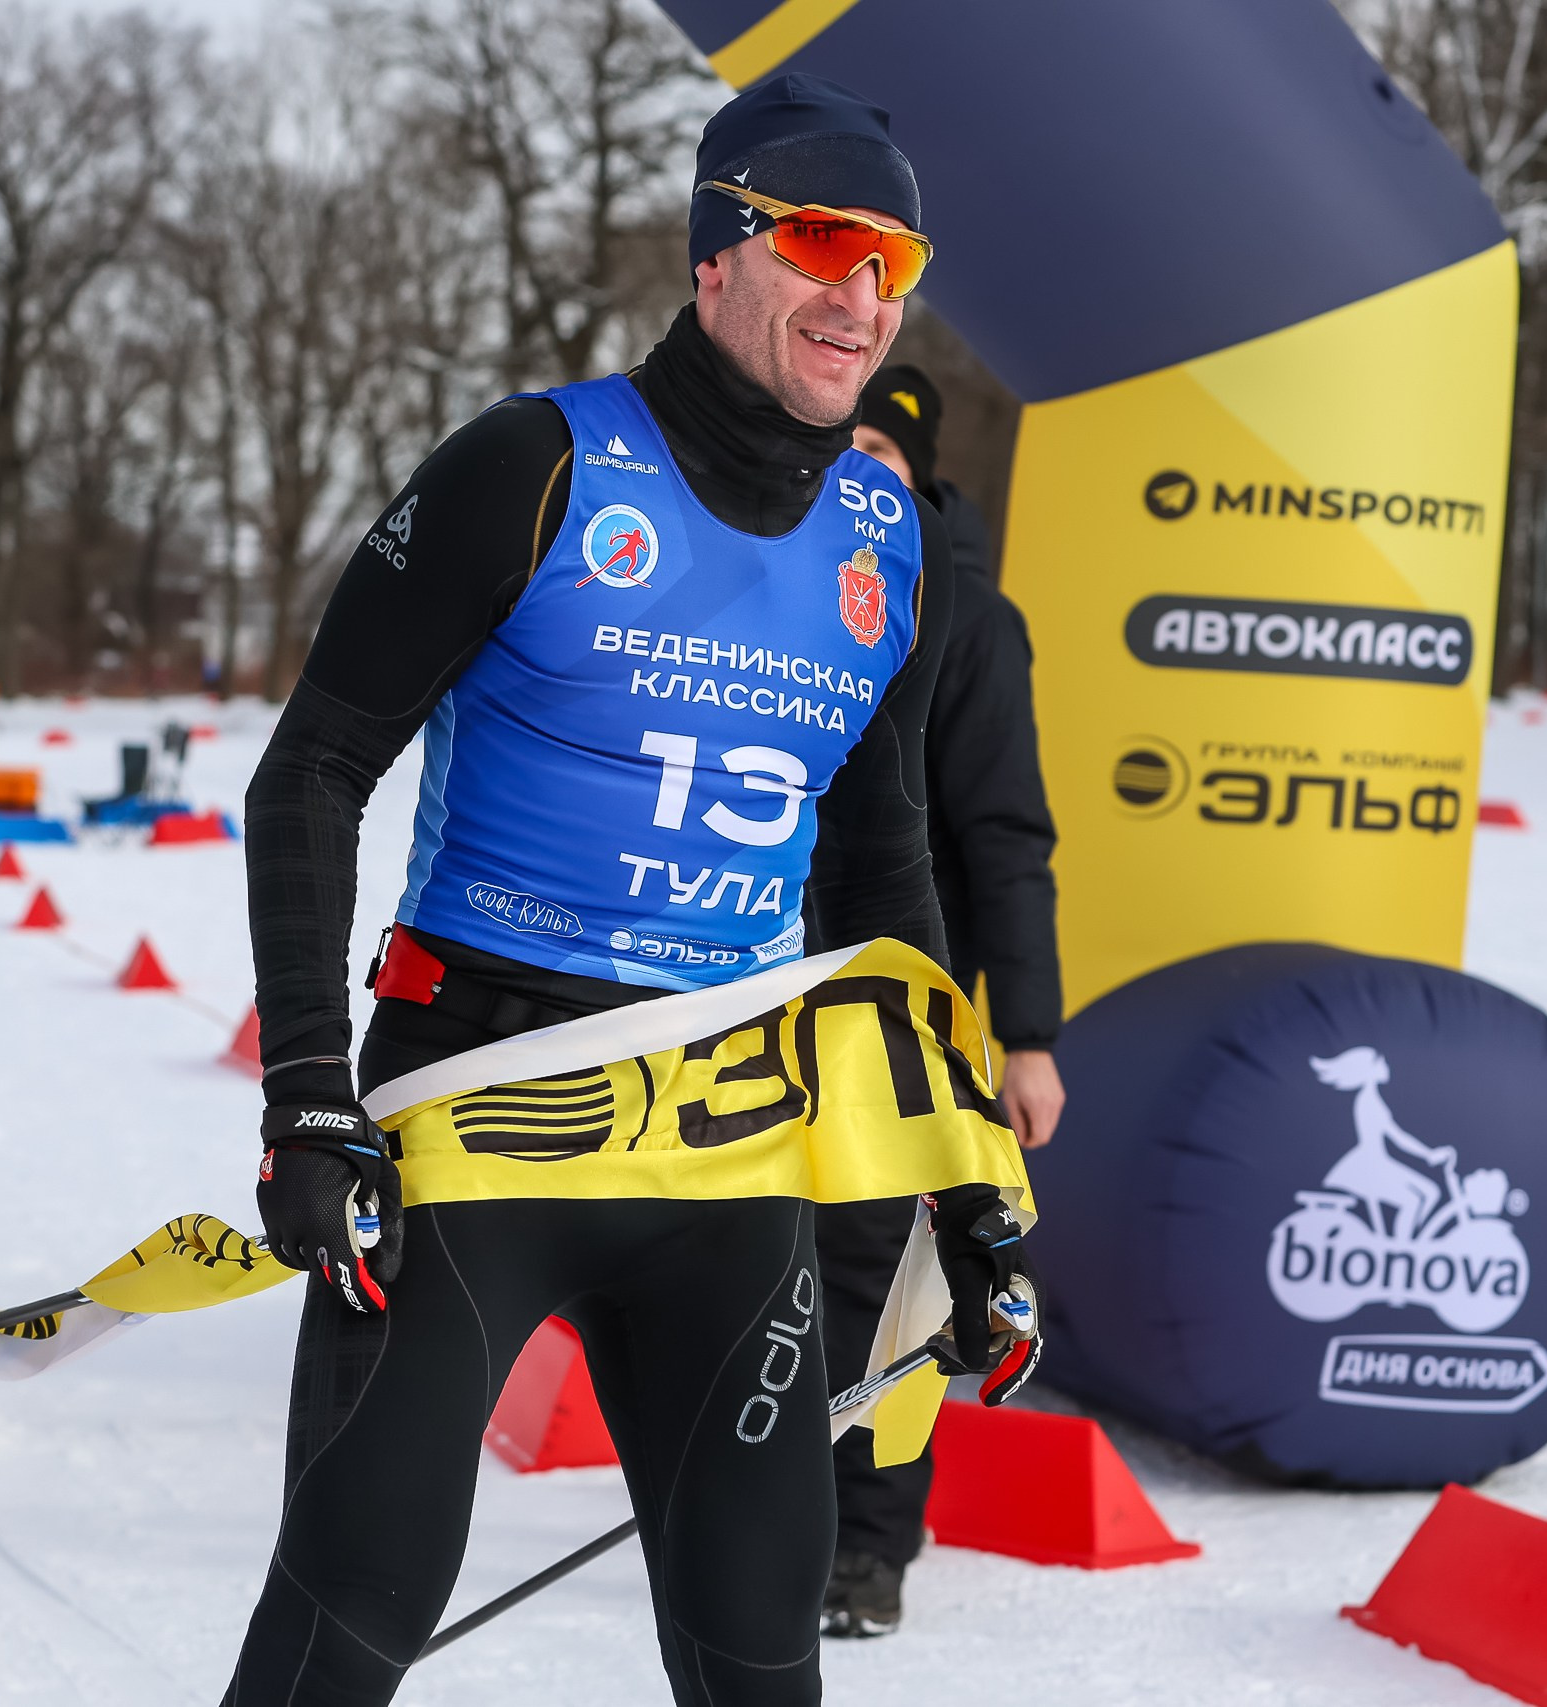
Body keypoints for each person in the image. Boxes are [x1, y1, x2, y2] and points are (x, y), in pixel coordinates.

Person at [229, 74, 1034, 1706]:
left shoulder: (887, 533)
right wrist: (312, 1095)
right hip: (479, 1113)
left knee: (760, 1652)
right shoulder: (533, 465)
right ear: (715, 256)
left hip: (730, 1148)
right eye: (823, 242)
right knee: (347, 1624)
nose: (864, 298)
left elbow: (879, 869)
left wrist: (971, 1185)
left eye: (895, 261)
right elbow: (310, 772)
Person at [814, 364, 1066, 1638]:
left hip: (898, 1015)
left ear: (918, 472)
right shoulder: (776, 576)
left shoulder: (968, 618)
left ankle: (867, 1553)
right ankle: (760, 1521)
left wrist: (1027, 1035)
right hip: (757, 996)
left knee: (873, 1285)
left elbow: (1007, 836)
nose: (859, 469)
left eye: (882, 451)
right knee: (760, 1274)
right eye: (842, 443)